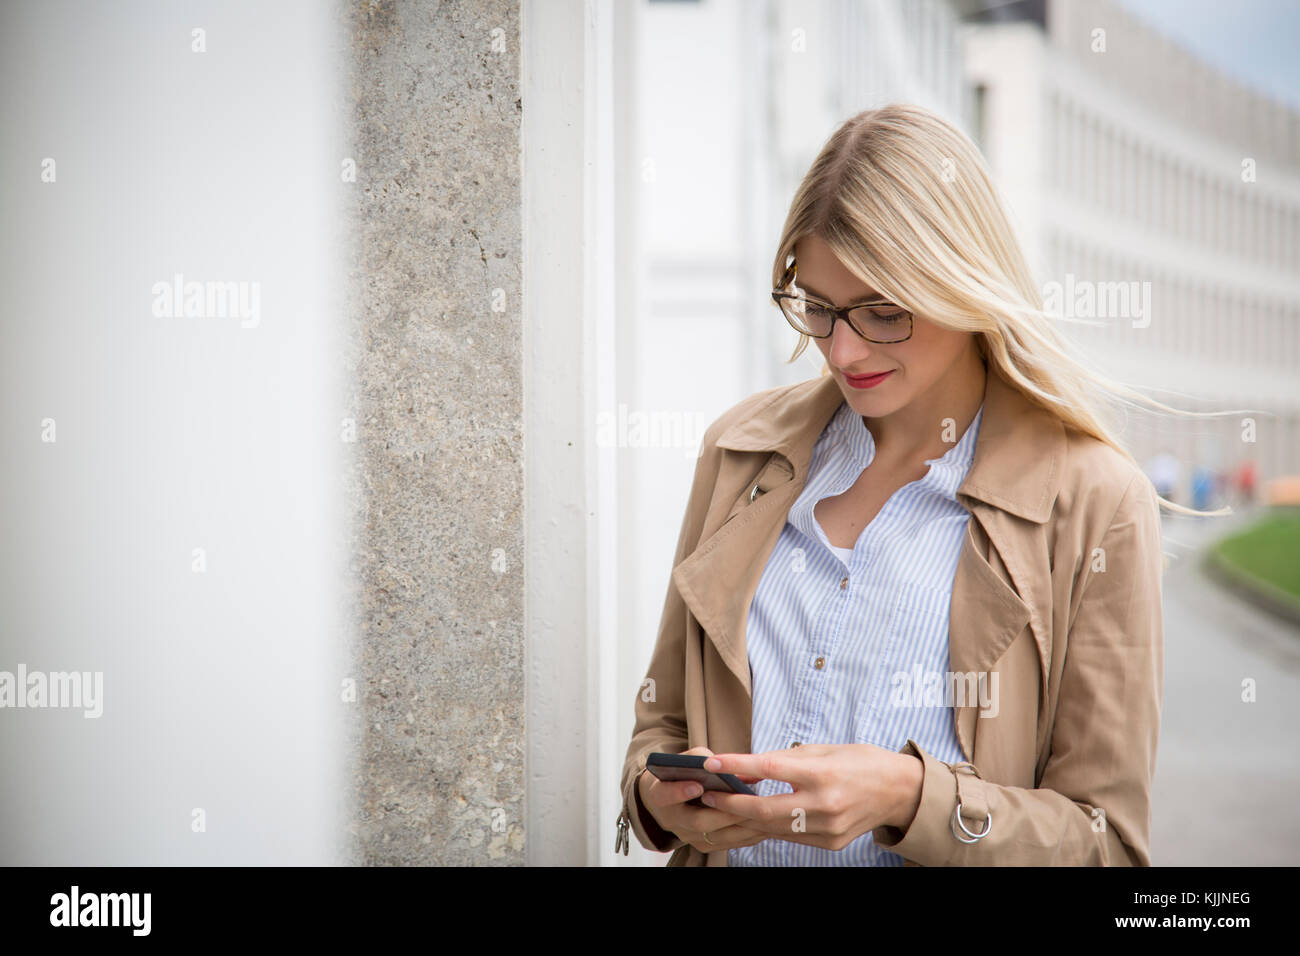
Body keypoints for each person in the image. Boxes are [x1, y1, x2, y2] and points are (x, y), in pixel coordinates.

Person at [617, 104, 1231, 867]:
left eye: (882, 312)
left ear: (964, 284)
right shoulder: (739, 452)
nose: (842, 350)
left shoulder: (1096, 503)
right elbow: (661, 728)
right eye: (817, 306)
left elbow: (1104, 844)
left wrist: (911, 798)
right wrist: (657, 795)